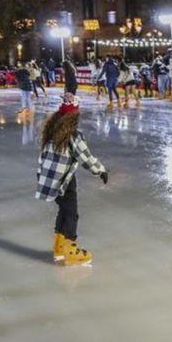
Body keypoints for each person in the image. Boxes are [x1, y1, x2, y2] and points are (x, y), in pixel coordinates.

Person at [36, 93, 107, 266]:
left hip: (49, 176)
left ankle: (59, 247)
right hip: (63, 180)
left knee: (64, 210)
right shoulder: (73, 135)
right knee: (71, 213)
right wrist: (101, 171)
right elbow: (86, 158)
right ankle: (69, 250)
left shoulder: (52, 129)